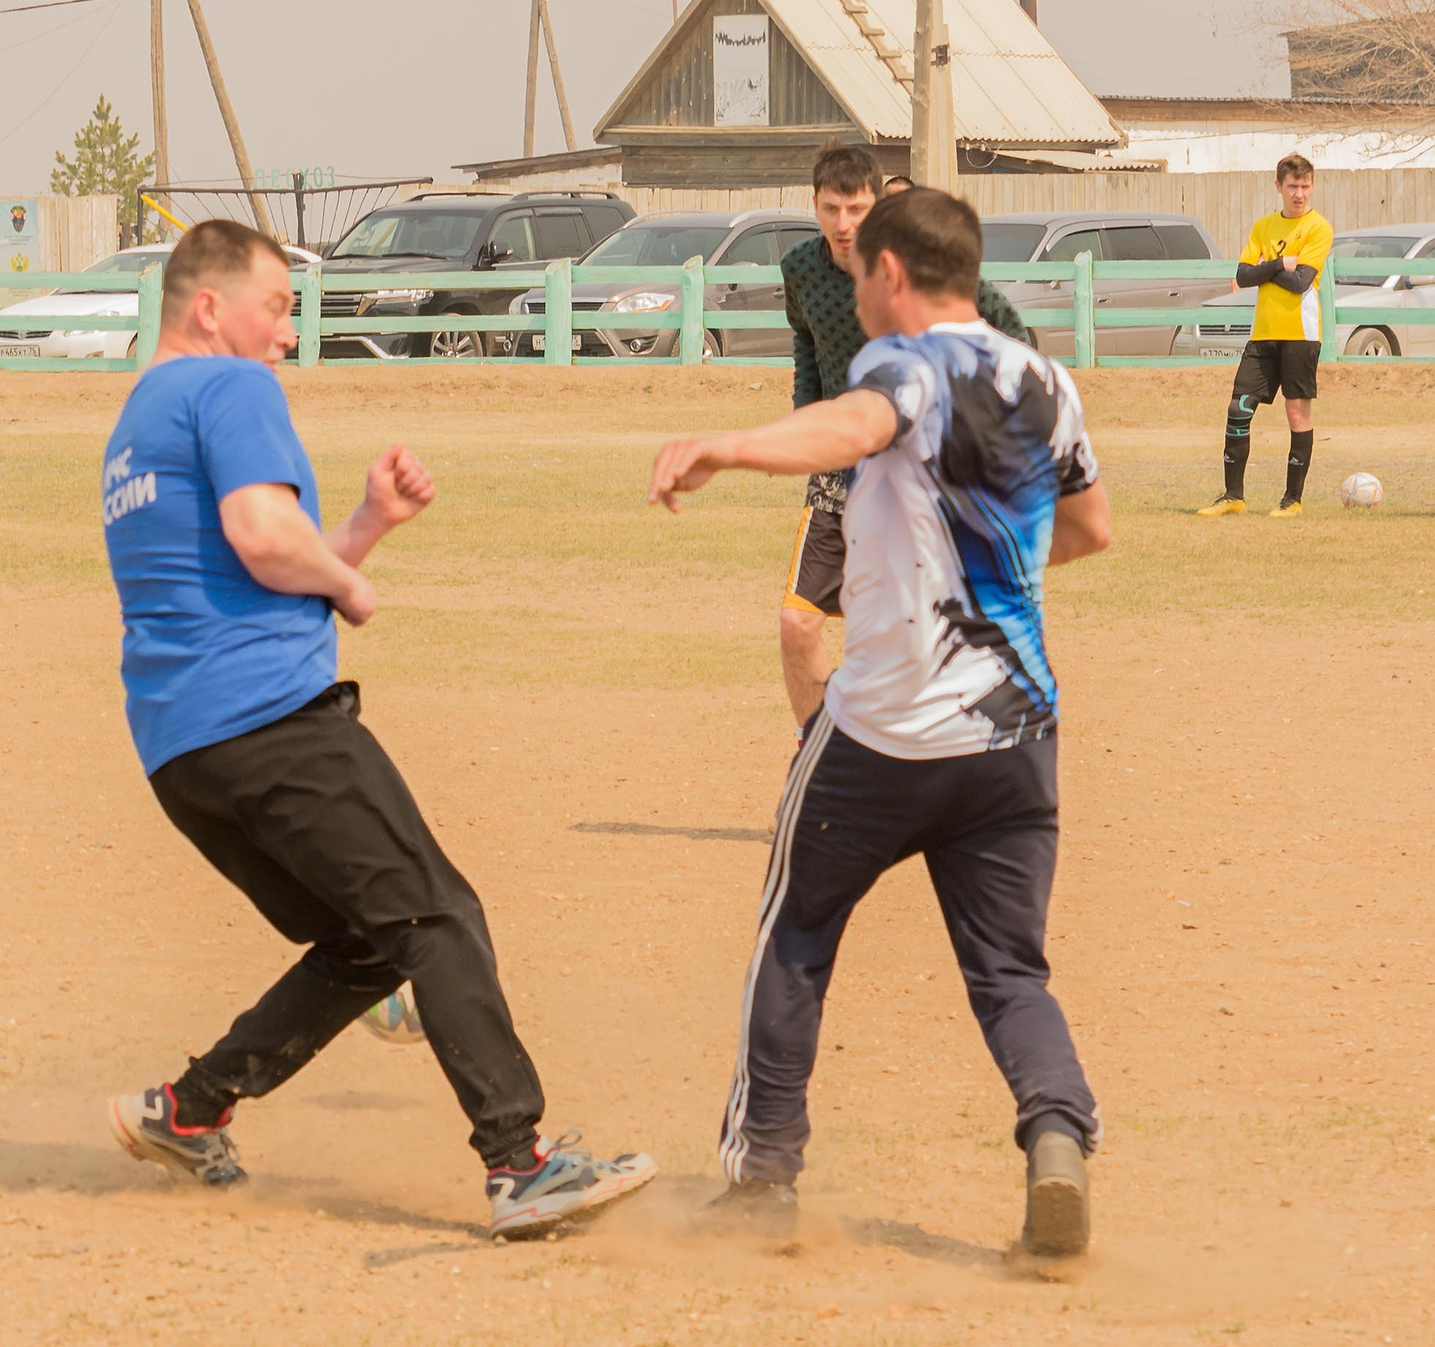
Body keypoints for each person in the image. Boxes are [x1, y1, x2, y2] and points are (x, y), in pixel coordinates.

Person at [100, 220, 657, 1238]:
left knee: (366, 944)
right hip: (272, 722)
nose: (287, 331)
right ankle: (520, 1164)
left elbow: (252, 566)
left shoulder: (139, 415)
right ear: (210, 307)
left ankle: (189, 1109)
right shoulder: (232, 385)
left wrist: (365, 527)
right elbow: (263, 537)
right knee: (437, 915)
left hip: (184, 751)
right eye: (276, 307)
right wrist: (351, 582)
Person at [649, 188, 1112, 1257]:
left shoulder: (900, 361)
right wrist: (990, 567)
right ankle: (1056, 1136)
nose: (855, 286)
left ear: (892, 274)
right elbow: (1089, 526)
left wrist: (729, 445)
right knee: (1011, 972)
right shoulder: (1046, 379)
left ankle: (763, 1181)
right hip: (1014, 736)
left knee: (796, 935)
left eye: (862, 271)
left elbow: (858, 423)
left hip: (883, 737)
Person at [781, 144, 1036, 730]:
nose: (843, 224)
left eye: (857, 209)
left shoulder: (918, 263)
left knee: (916, 636)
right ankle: (818, 755)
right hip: (837, 475)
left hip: (920, 478)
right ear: (814, 205)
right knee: (797, 624)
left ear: (879, 208)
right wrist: (805, 421)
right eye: (831, 208)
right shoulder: (799, 268)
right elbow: (806, 343)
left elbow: (1009, 331)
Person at [1197, 153, 1332, 519]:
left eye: (1305, 186)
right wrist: (1278, 264)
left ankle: (1292, 499)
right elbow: (1242, 276)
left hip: (1300, 336)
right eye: (1292, 186)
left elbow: (1301, 282)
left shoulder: (1319, 228)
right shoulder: (1263, 227)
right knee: (1238, 408)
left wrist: (1264, 270)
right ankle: (1233, 496)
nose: (1299, 194)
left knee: (1296, 413)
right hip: (1263, 335)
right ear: (1278, 186)